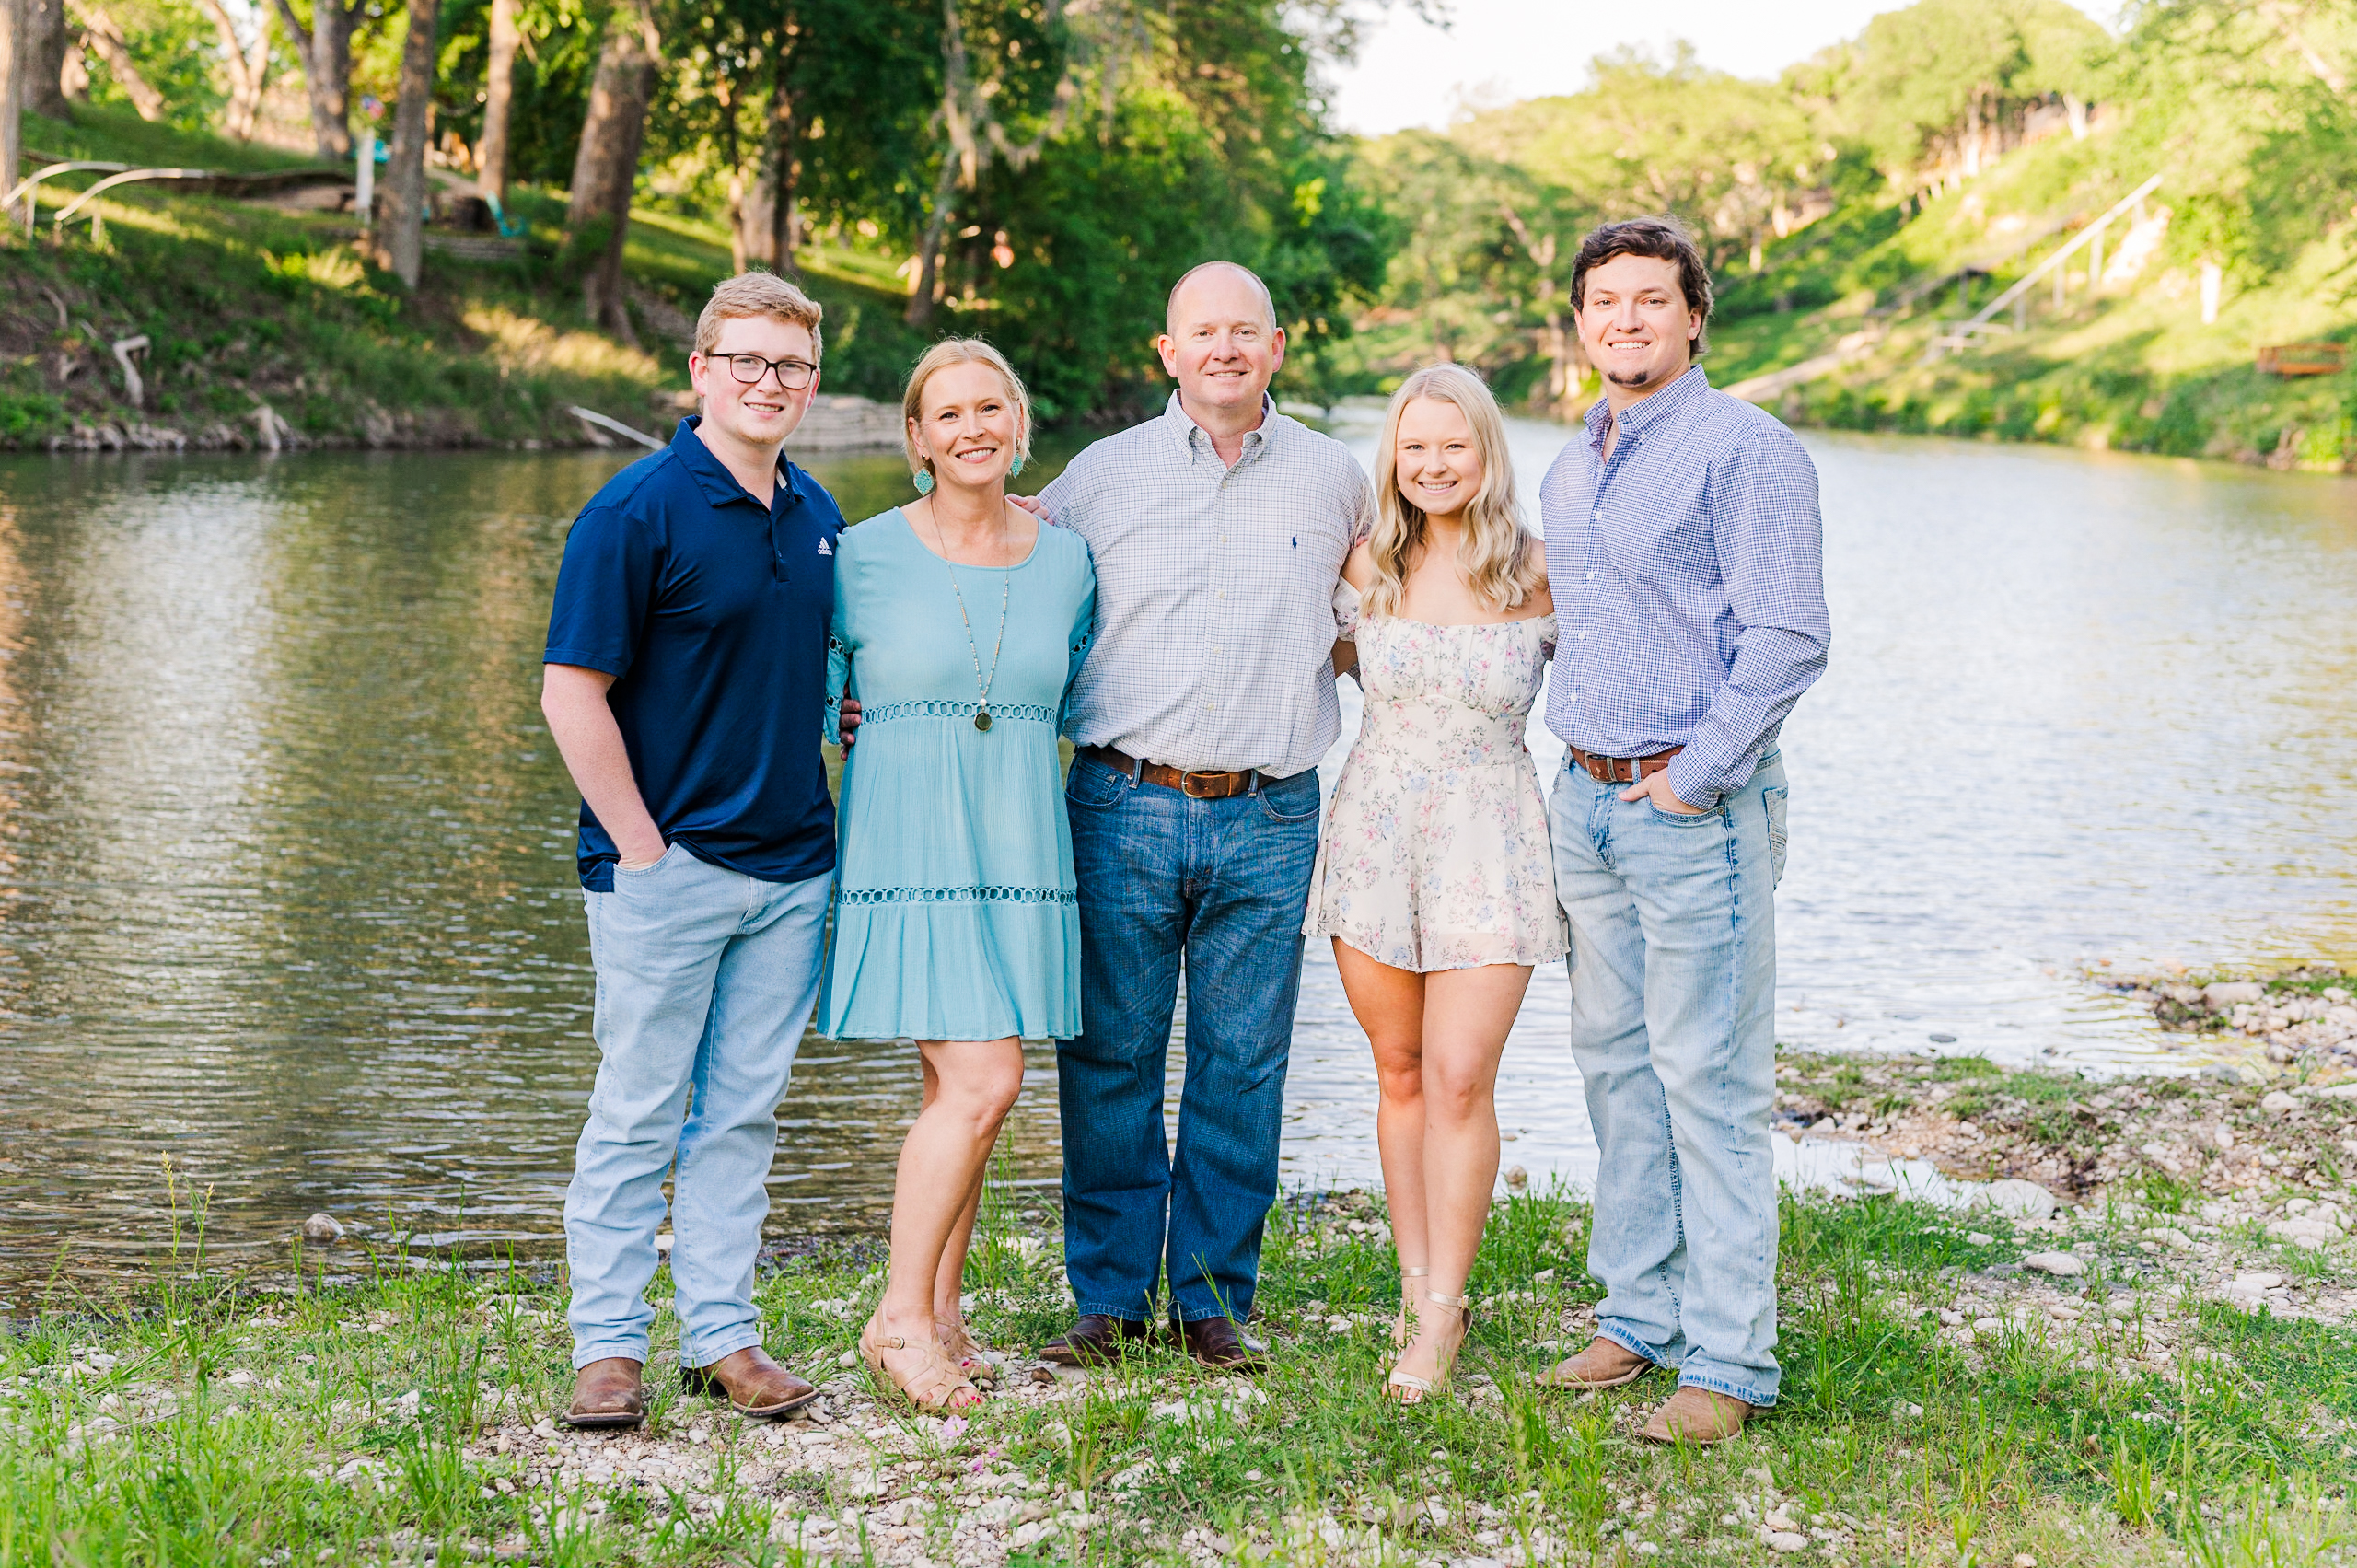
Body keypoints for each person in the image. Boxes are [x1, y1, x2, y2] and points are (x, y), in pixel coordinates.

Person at [1028, 261, 1372, 1372]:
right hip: (1121, 798)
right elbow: (1005, 582)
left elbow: (1392, 620)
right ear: (1166, 352)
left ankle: (1216, 1296)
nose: (1224, 349)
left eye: (1245, 331)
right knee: (1109, 1054)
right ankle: (1112, 1296)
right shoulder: (1099, 476)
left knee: (1243, 1060)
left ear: (1278, 346)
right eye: (1200, 332)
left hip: (1271, 814)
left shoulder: (1337, 479)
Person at [1534, 217, 1830, 1445]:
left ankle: (1728, 1361)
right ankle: (1638, 1316)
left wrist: (1696, 777)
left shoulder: (1744, 450)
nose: (1626, 320)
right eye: (1604, 301)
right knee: (1613, 1065)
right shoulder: (1568, 463)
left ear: (1694, 314)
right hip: (1585, 800)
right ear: (1582, 320)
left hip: (1686, 806)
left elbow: (1788, 638)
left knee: (1706, 1080)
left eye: (1651, 300)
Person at [541, 273, 847, 1429]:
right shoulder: (635, 512)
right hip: (667, 869)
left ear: (811, 384)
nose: (770, 383)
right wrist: (642, 846)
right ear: (701, 373)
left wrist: (843, 720)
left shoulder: (814, 516)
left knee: (743, 1113)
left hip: (792, 869)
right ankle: (608, 1348)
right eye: (749, 362)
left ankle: (723, 1334)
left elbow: (803, 672)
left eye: (792, 366)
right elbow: (571, 692)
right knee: (636, 1107)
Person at [821, 340, 1097, 1410]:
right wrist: (847, 717)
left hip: (1019, 830)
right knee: (986, 1081)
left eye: (992, 408)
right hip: (908, 834)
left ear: (1018, 424)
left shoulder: (1068, 558)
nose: (973, 428)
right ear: (917, 438)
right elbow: (812, 685)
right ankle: (896, 1319)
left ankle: (938, 1310)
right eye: (949, 414)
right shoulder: (859, 553)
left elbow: (1075, 688)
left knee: (957, 1086)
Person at [1307, 363, 1566, 1403]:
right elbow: (1282, 656)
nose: (1432, 464)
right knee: (1400, 1069)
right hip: (1373, 829)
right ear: (1393, 457)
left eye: (1452, 445)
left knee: (1461, 1074)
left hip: (1492, 838)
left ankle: (1445, 1310)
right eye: (1414, 447)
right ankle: (1413, 1290)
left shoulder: (1541, 572)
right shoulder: (1362, 564)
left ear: (1487, 452)